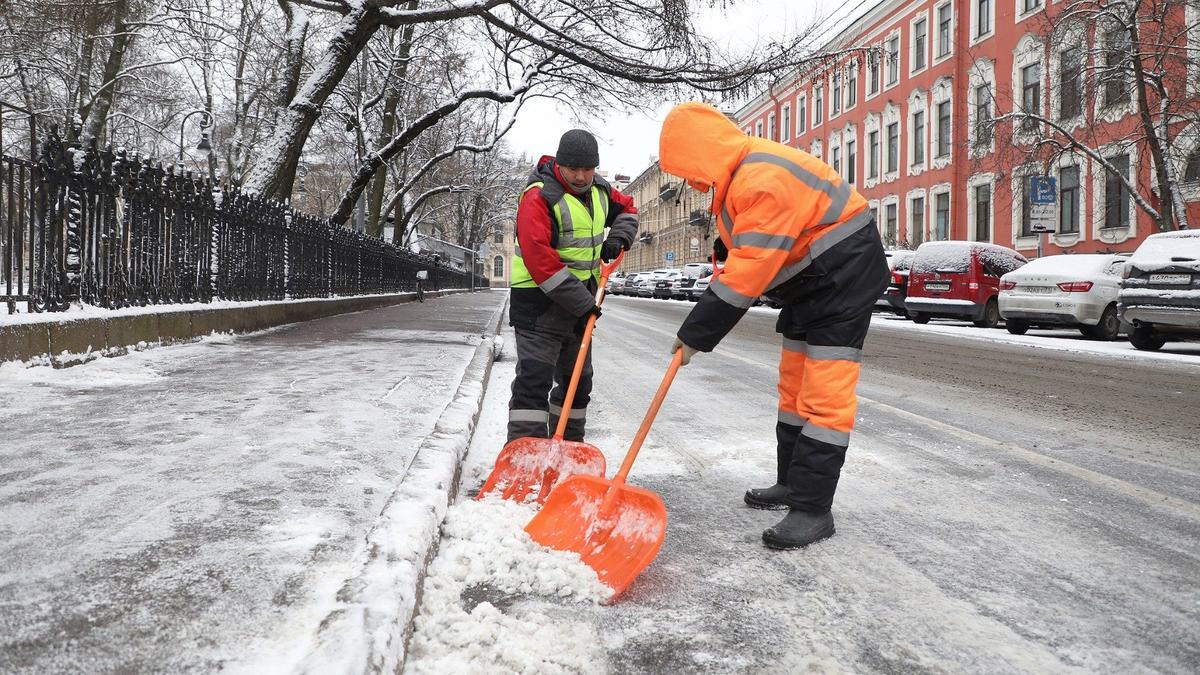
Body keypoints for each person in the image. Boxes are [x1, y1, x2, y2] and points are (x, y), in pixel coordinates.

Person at [659, 102, 888, 549]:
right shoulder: (741, 173)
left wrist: (694, 336)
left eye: (688, 168)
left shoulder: (761, 179)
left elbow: (748, 273)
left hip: (843, 277)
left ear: (704, 151)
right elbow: (746, 249)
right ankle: (791, 484)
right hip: (812, 280)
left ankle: (813, 509)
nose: (689, 181)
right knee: (793, 388)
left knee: (824, 396)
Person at [507, 129, 639, 442]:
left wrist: (620, 237)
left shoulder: (601, 191)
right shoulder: (539, 197)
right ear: (559, 164)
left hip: (579, 306)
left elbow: (630, 209)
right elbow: (541, 262)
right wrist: (583, 304)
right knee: (534, 382)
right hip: (538, 308)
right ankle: (524, 456)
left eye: (588, 169)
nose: (581, 177)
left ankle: (568, 449)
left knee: (577, 383)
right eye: (573, 169)